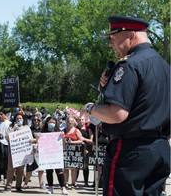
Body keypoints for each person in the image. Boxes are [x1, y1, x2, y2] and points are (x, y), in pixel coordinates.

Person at [81, 15, 170, 196]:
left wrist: (90, 108)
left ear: (130, 36)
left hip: (130, 151)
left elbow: (117, 114)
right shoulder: (165, 67)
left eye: (113, 38)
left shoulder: (129, 65)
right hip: (160, 149)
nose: (110, 43)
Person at [3, 113, 31, 193]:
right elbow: (6, 137)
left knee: (20, 170)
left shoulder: (26, 127)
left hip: (22, 152)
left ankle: (18, 186)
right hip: (13, 151)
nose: (19, 120)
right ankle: (8, 185)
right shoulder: (11, 127)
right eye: (17, 118)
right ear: (15, 120)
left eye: (20, 118)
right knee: (11, 169)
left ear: (23, 119)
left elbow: (30, 138)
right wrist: (13, 129)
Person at [41, 116, 68, 195]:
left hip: (56, 154)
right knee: (49, 171)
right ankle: (50, 187)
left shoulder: (58, 132)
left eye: (53, 122)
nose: (52, 124)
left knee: (59, 172)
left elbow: (64, 143)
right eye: (50, 122)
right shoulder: (43, 132)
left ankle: (63, 188)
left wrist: (63, 137)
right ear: (47, 123)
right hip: (47, 154)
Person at [22, 114, 46, 190]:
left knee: (41, 168)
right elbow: (27, 139)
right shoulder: (30, 129)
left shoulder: (43, 129)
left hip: (41, 150)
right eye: (34, 120)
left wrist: (35, 140)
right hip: (31, 151)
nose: (36, 121)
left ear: (40, 121)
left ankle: (41, 183)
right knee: (29, 168)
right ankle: (25, 183)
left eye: (38, 120)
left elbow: (45, 139)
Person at [63, 115, 83, 189]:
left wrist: (72, 142)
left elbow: (80, 140)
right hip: (65, 151)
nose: (70, 123)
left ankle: (73, 183)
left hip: (74, 151)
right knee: (65, 168)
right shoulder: (63, 130)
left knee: (74, 169)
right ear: (66, 122)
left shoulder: (76, 130)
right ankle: (66, 183)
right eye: (69, 122)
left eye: (72, 122)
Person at [0, 108, 11, 184]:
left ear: (5, 115)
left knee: (6, 160)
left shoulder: (9, 123)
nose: (0, 116)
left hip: (6, 144)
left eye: (2, 114)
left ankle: (6, 176)